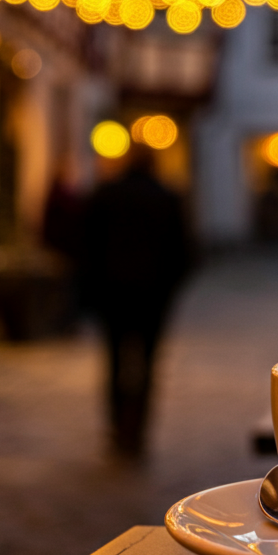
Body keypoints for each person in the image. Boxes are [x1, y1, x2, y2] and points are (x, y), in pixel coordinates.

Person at [81, 144, 191, 457]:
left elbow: (86, 244)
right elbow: (184, 252)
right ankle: (138, 431)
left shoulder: (106, 194)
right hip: (153, 296)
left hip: (112, 293)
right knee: (147, 363)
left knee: (115, 360)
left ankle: (117, 428)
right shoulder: (167, 197)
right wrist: (168, 287)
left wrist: (93, 287)